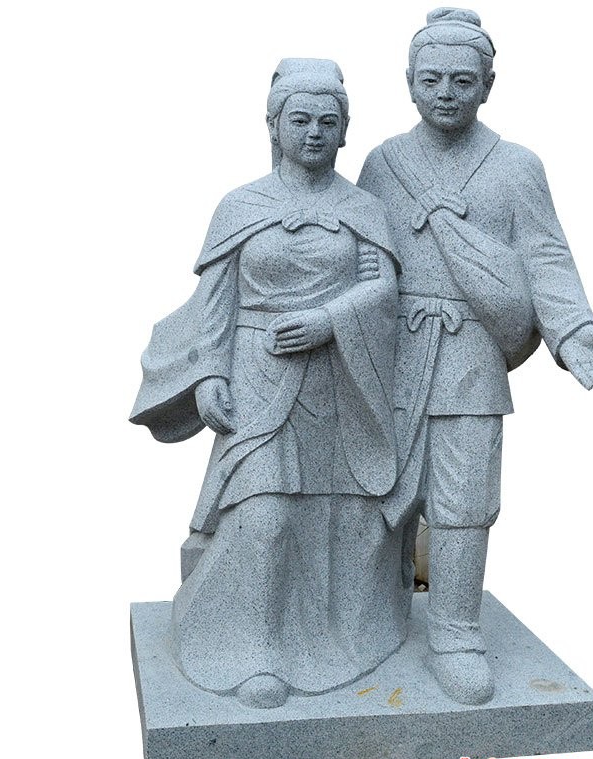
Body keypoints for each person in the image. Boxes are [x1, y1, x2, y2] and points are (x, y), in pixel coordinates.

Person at [358, 8, 593, 705]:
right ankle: (372, 616)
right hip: (390, 351)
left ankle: (454, 632)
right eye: (431, 79)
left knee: (464, 503)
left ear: (489, 84)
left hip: (470, 356)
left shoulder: (515, 167)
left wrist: (572, 330)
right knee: (376, 488)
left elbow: (545, 254)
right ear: (408, 82)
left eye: (462, 80)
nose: (446, 93)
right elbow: (353, 247)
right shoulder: (382, 162)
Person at [130, 59, 411, 709]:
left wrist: (330, 319)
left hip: (341, 381)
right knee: (266, 518)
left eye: (328, 122)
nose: (314, 133)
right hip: (259, 376)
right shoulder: (242, 206)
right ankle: (252, 650)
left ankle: (334, 638)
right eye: (301, 120)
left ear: (345, 131)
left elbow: (384, 289)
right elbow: (214, 303)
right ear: (272, 125)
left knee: (339, 520)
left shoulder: (363, 209)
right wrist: (208, 374)